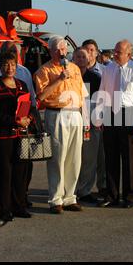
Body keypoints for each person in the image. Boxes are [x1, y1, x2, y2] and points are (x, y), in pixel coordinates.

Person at [34, 36, 88, 214]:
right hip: (57, 114)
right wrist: (58, 79)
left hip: (75, 114)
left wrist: (85, 120)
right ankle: (55, 198)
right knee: (58, 157)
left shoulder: (74, 68)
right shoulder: (44, 70)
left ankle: (70, 197)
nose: (62, 52)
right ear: (50, 50)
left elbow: (83, 96)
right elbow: (40, 97)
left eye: (64, 49)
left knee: (75, 158)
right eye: (58, 49)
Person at [0, 41, 36, 208]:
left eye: (13, 62)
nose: (10, 67)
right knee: (5, 172)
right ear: (0, 62)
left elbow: (30, 101)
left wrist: (28, 119)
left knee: (22, 170)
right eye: (6, 63)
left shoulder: (23, 78)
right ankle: (5, 207)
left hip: (22, 132)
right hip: (3, 133)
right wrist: (12, 121)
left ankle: (20, 202)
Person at [95, 39, 133, 208]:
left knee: (130, 158)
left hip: (128, 113)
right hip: (111, 112)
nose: (115, 54)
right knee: (110, 156)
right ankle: (112, 195)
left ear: (129, 55)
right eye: (115, 51)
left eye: (119, 52)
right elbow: (102, 92)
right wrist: (99, 116)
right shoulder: (108, 68)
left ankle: (130, 196)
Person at [72, 48, 103, 204]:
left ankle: (85, 190)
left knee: (89, 159)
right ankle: (71, 190)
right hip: (71, 122)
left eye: (84, 56)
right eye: (77, 56)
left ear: (89, 58)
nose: (81, 59)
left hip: (90, 123)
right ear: (73, 58)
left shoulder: (95, 78)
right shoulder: (68, 76)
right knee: (72, 158)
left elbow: (101, 101)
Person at [81, 39, 107, 197]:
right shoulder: (77, 73)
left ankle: (103, 186)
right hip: (84, 120)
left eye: (92, 50)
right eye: (86, 50)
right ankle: (85, 188)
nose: (89, 53)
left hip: (101, 119)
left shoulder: (105, 71)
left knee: (103, 156)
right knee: (88, 157)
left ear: (97, 53)